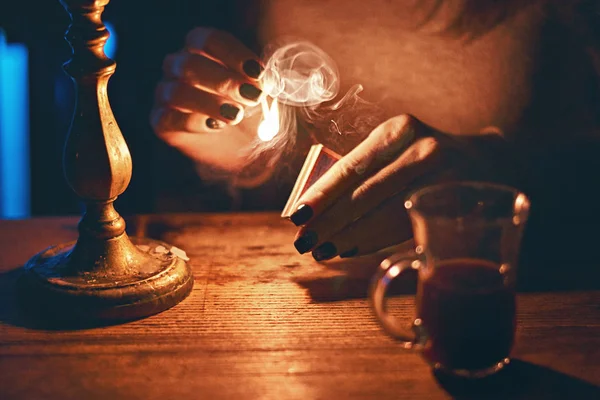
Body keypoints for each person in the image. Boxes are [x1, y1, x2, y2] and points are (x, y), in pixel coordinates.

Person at [150, 0, 600, 285]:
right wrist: (243, 163)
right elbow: (278, 177)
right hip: (311, 310)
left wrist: (506, 170)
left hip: (509, 299)